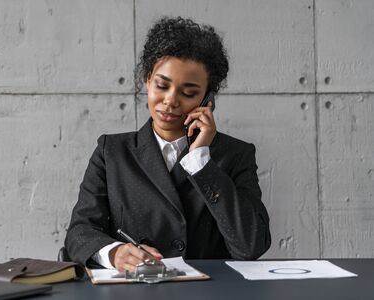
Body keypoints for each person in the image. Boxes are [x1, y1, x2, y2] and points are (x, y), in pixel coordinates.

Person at [64, 16, 271, 272]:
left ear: (207, 99)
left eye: (188, 93)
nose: (170, 101)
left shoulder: (235, 154)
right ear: (147, 79)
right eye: (162, 85)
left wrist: (201, 162)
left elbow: (251, 245)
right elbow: (79, 232)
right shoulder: (112, 152)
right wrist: (114, 252)